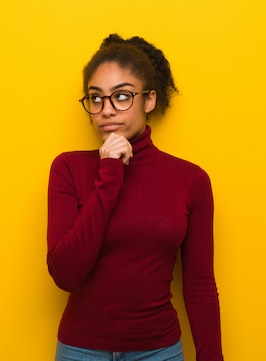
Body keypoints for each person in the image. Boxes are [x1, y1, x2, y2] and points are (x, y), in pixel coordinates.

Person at [46, 34, 223, 361]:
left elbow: (199, 285)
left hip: (158, 351)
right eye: (96, 99)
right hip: (80, 350)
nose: (106, 110)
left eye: (122, 97)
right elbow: (65, 274)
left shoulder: (191, 180)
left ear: (149, 100)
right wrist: (109, 172)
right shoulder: (68, 169)